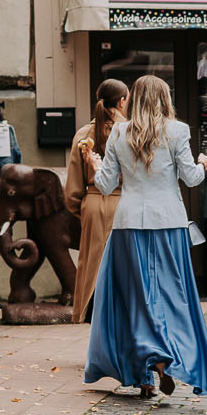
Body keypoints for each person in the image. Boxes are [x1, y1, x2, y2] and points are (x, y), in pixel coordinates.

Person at [84, 75, 207, 399]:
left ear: (133, 99)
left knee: (133, 300)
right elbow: (189, 177)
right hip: (168, 224)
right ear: (164, 98)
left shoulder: (119, 131)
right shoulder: (177, 131)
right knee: (171, 298)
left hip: (128, 224)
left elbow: (104, 185)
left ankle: (144, 374)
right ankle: (164, 357)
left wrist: (95, 163)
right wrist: (203, 163)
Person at [66, 78, 127, 323]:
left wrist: (83, 208)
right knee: (124, 270)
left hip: (92, 202)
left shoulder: (83, 133)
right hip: (123, 202)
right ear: (122, 102)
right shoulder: (130, 130)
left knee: (91, 267)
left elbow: (72, 188)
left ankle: (91, 319)